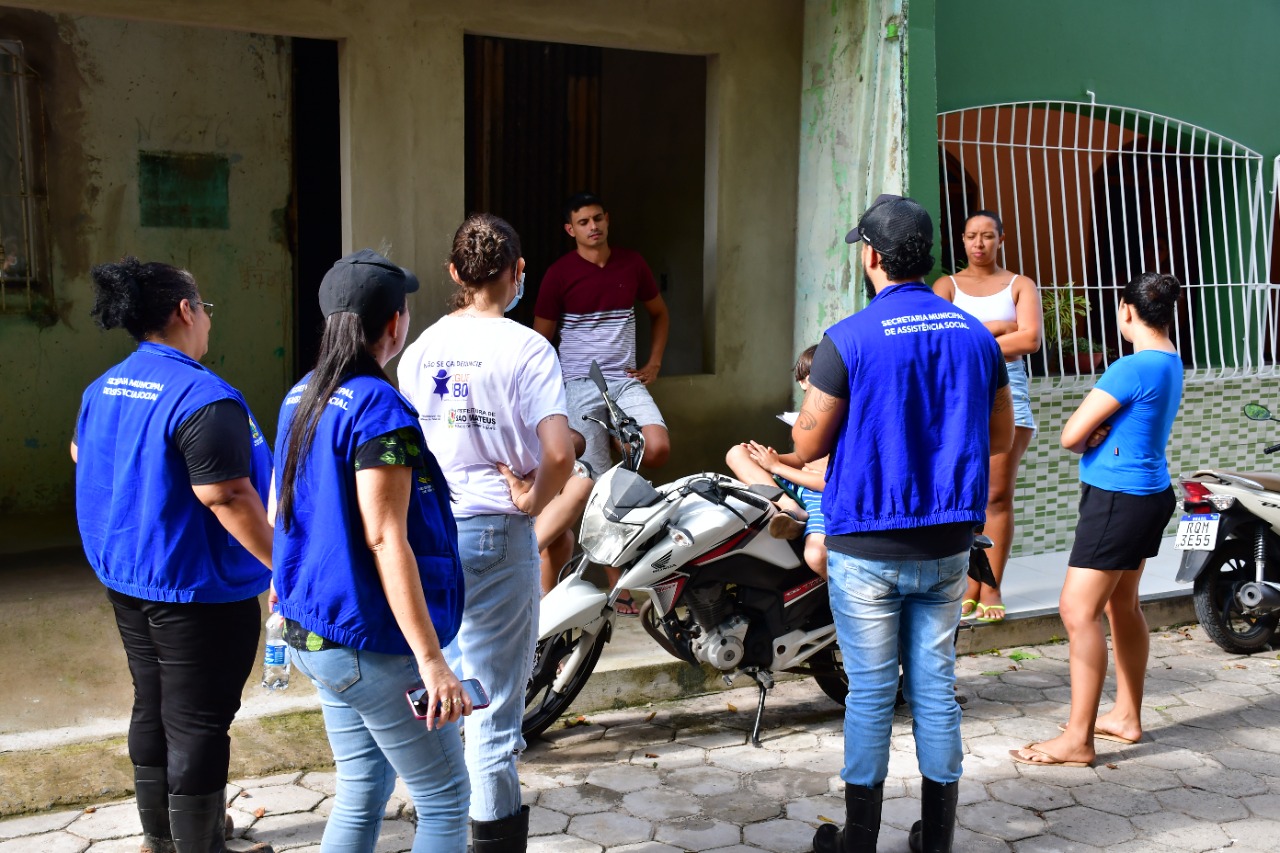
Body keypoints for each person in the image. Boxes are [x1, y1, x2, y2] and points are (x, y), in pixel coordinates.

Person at [792, 195, 1013, 853]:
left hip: (864, 545)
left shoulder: (847, 338)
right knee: (935, 688)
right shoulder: (975, 334)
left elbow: (807, 443)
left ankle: (858, 840)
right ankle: (935, 839)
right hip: (947, 541)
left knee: (869, 692)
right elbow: (999, 436)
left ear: (873, 256)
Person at [72, 257, 276, 853]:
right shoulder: (204, 396)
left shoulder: (103, 385)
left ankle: (165, 836)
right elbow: (229, 495)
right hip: (197, 589)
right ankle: (199, 845)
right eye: (204, 307)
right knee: (198, 720)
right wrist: (285, 568)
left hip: (129, 578)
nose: (208, 320)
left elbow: (83, 454)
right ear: (185, 311)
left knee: (154, 702)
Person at [272, 250, 472, 852]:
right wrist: (432, 661)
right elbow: (386, 536)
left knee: (362, 786)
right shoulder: (378, 407)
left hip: (315, 633)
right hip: (369, 642)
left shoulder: (302, 395)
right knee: (443, 800)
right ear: (394, 324)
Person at [399, 214, 575, 850]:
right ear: (518, 272)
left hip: (431, 535)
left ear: (454, 273)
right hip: (498, 533)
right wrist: (533, 499)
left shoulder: (418, 351)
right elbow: (559, 454)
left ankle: (442, 824)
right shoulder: (529, 349)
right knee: (496, 711)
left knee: (440, 686)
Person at [1010, 272, 1182, 770]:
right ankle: (1126, 715)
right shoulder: (1170, 361)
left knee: (1077, 611)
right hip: (1150, 495)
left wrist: (1094, 432)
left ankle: (1078, 739)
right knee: (1121, 606)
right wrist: (1103, 429)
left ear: (1127, 311)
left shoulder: (1130, 368)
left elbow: (1070, 435)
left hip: (1117, 501)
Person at [533, 191, 671, 615]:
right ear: (570, 229)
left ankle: (617, 449)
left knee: (658, 448)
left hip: (624, 382)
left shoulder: (632, 264)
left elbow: (659, 313)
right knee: (593, 484)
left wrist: (653, 363)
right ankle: (618, 585)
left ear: (608, 220)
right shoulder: (559, 274)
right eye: (583, 222)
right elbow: (540, 340)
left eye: (598, 219)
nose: (593, 227)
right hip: (577, 384)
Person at [933, 211, 1040, 623]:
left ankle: (991, 584)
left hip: (1006, 399)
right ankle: (966, 583)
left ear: (1001, 238)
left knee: (996, 496)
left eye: (988, 236)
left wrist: (971, 337)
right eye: (972, 236)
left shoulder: (1020, 285)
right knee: (965, 498)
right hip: (956, 403)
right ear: (962, 240)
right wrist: (996, 328)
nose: (979, 244)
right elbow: (939, 340)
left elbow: (1029, 338)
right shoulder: (947, 286)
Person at [725, 345, 828, 578]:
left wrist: (777, 466)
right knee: (736, 453)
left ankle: (844, 608)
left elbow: (826, 481)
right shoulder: (807, 415)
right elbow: (803, 459)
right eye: (810, 376)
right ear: (802, 382)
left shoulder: (844, 415)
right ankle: (791, 509)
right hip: (797, 487)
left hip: (823, 494)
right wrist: (768, 459)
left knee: (817, 555)